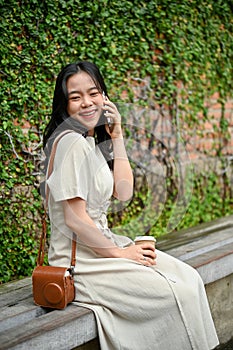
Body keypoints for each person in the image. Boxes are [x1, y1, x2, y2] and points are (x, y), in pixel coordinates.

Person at [43, 61, 219, 350]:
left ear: (104, 97)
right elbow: (75, 219)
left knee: (190, 278)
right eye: (76, 97)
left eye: (94, 93)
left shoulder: (88, 142)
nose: (87, 102)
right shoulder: (70, 143)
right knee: (178, 292)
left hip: (103, 247)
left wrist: (117, 135)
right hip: (80, 263)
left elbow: (123, 192)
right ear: (65, 104)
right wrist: (121, 254)